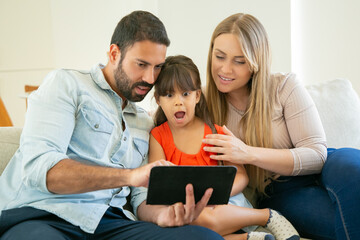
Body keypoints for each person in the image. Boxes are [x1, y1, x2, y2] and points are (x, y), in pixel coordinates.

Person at [0, 11, 223, 240]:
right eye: (141, 64)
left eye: (157, 67)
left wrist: (162, 215)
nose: (150, 78)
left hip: (111, 224)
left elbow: (140, 198)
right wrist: (128, 176)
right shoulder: (67, 85)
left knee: (205, 238)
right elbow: (42, 170)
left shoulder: (144, 123)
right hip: (43, 216)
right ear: (114, 53)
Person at [202, 12, 360, 240]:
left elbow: (317, 155)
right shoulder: (203, 102)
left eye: (240, 61)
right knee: (339, 222)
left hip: (329, 165)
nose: (225, 69)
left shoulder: (283, 86)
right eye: (220, 57)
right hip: (283, 191)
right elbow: (166, 112)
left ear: (256, 63)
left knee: (354, 171)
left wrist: (247, 153)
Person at [148, 55, 300, 240]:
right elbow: (158, 183)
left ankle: (266, 216)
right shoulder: (157, 136)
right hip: (187, 209)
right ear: (158, 100)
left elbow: (241, 175)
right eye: (169, 95)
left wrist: (217, 195)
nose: (178, 102)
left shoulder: (214, 132)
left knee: (206, 216)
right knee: (189, 223)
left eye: (185, 94)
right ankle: (248, 238)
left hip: (224, 204)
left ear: (197, 96)